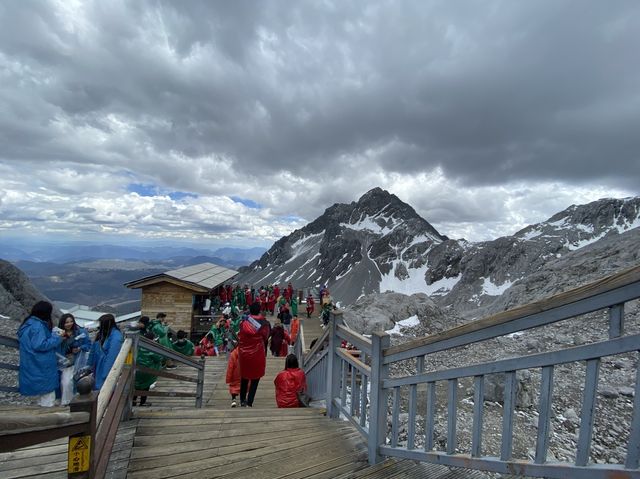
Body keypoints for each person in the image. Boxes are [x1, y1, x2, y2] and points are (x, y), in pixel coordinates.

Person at [17, 301, 63, 407]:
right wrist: (57, 337)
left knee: (41, 395)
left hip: (32, 364)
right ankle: (47, 419)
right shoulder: (38, 326)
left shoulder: (28, 323)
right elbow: (40, 345)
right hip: (42, 367)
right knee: (48, 395)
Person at [238, 302, 270, 407]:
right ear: (259, 310)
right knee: (255, 378)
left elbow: (240, 335)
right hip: (257, 353)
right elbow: (266, 337)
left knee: (244, 376)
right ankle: (250, 401)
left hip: (244, 353)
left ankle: (242, 400)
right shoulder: (264, 323)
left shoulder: (244, 322)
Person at [58, 313, 91, 405]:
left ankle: (76, 402)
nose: (69, 324)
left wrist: (80, 348)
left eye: (71, 321)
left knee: (78, 381)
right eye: (66, 322)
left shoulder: (81, 332)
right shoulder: (59, 334)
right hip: (66, 363)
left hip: (79, 362)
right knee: (66, 382)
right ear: (62, 323)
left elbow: (88, 345)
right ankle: (66, 402)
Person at [90, 314, 124, 390]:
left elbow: (112, 356)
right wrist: (89, 366)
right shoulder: (102, 333)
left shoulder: (116, 337)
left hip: (104, 367)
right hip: (98, 365)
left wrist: (106, 374)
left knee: (103, 388)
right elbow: (93, 350)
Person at [133, 331, 162, 406]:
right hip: (147, 371)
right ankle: (142, 402)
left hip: (136, 370)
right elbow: (158, 359)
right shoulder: (151, 348)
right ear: (152, 339)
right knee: (146, 386)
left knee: (136, 385)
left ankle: (133, 401)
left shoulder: (138, 345)